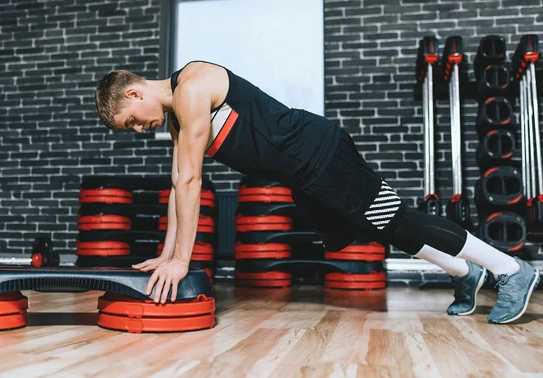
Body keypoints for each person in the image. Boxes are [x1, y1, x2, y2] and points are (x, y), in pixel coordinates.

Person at [94, 60, 540, 324]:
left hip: (321, 153)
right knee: (376, 227)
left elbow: (191, 183)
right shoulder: (176, 119)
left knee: (395, 218)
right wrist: (167, 253)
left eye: (132, 119)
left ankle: (511, 269)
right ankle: (464, 272)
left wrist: (183, 262)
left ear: (134, 91)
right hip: (304, 177)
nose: (138, 128)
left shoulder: (190, 88)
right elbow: (178, 185)